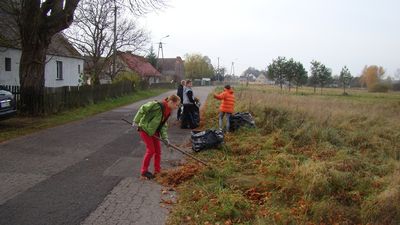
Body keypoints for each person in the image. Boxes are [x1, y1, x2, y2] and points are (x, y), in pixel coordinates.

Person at [132, 94, 181, 179]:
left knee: (158, 151)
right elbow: (143, 108)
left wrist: (165, 138)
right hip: (145, 129)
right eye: (176, 105)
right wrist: (136, 120)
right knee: (151, 150)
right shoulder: (157, 105)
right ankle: (144, 171)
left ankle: (157, 171)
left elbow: (163, 125)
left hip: (155, 132)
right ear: (171, 102)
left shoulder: (168, 111)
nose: (177, 107)